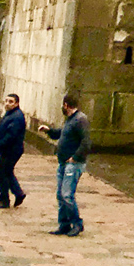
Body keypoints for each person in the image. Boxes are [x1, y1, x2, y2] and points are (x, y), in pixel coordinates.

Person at [44, 92, 90, 236]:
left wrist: (75, 157)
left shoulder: (80, 120)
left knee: (67, 195)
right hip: (63, 162)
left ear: (66, 105)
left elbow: (86, 141)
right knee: (60, 195)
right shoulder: (70, 120)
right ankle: (64, 224)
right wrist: (49, 131)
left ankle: (77, 223)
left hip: (73, 164)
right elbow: (62, 133)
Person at [0, 93, 26, 209]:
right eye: (6, 101)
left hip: (11, 150)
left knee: (1, 174)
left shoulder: (16, 117)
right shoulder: (11, 114)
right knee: (7, 172)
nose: (7, 103)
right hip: (10, 150)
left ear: (16, 103)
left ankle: (4, 200)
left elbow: (11, 135)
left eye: (11, 102)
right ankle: (18, 194)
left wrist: (0, 145)